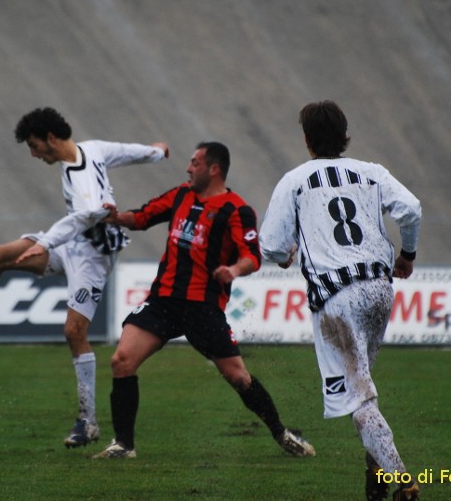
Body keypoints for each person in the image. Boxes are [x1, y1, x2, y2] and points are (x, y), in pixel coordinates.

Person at [0, 107, 169, 449]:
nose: (33, 153)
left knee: (74, 332)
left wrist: (43, 243)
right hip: (70, 244)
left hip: (92, 259)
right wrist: (156, 152)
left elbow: (83, 218)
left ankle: (88, 422)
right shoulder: (92, 148)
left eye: (34, 145)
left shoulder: (82, 178)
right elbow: (126, 151)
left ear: (51, 138)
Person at [92, 141, 315, 460]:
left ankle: (281, 432)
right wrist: (114, 218)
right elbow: (142, 217)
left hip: (202, 308)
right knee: (121, 360)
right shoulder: (181, 194)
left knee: (238, 376)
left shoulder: (236, 210)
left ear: (214, 169)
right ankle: (123, 445)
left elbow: (251, 255)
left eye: (194, 163)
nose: (188, 168)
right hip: (163, 301)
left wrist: (233, 269)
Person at [259, 101, 422, 501]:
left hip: (337, 298)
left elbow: (270, 244)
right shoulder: (371, 172)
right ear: (345, 134)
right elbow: (411, 209)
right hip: (380, 289)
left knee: (359, 398)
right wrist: (409, 255)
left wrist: (285, 257)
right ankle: (376, 477)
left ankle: (402, 481)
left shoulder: (296, 180)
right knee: (363, 386)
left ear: (307, 140)